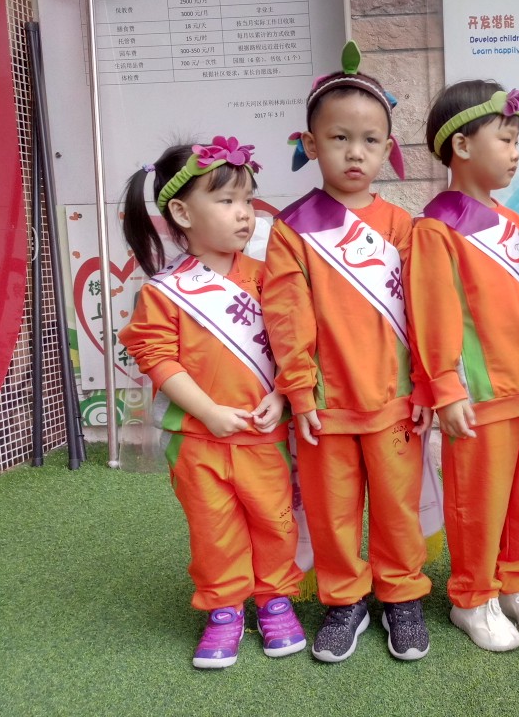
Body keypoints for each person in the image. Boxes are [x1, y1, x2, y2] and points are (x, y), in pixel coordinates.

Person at [261, 41, 432, 663]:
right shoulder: (292, 229)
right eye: (339, 138)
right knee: (333, 512)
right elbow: (285, 317)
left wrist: (426, 383)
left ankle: (402, 594)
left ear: (388, 148)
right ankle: (343, 599)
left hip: (394, 400)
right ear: (311, 144)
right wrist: (298, 391)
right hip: (325, 406)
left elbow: (425, 315)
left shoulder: (403, 227)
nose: (354, 152)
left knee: (397, 508)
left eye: (369, 140)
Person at [118, 136, 306, 670]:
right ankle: (224, 608)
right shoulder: (164, 291)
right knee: (213, 529)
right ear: (182, 212)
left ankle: (274, 600)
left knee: (274, 521)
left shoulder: (271, 278)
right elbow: (158, 358)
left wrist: (282, 395)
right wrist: (208, 411)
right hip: (197, 441)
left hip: (263, 435)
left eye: (247, 200)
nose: (244, 213)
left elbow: (294, 347)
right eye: (226, 201)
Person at [406, 80, 519, 652]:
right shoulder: (435, 229)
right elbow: (432, 317)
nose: (515, 152)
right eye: (505, 139)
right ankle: (473, 596)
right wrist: (446, 389)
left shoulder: (517, 224)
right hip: (478, 395)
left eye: (517, 140)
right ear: (462, 146)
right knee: (478, 501)